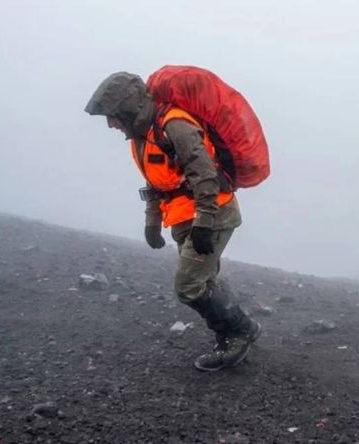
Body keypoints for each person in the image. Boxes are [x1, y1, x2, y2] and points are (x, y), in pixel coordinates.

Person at [84, 72, 261, 372]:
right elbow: (156, 181)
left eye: (112, 116)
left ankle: (239, 331)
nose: (111, 124)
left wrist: (204, 221)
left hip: (213, 212)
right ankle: (236, 330)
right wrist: (152, 220)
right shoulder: (141, 138)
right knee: (204, 280)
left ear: (127, 108)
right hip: (182, 215)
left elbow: (205, 175)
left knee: (188, 286)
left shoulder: (174, 125)